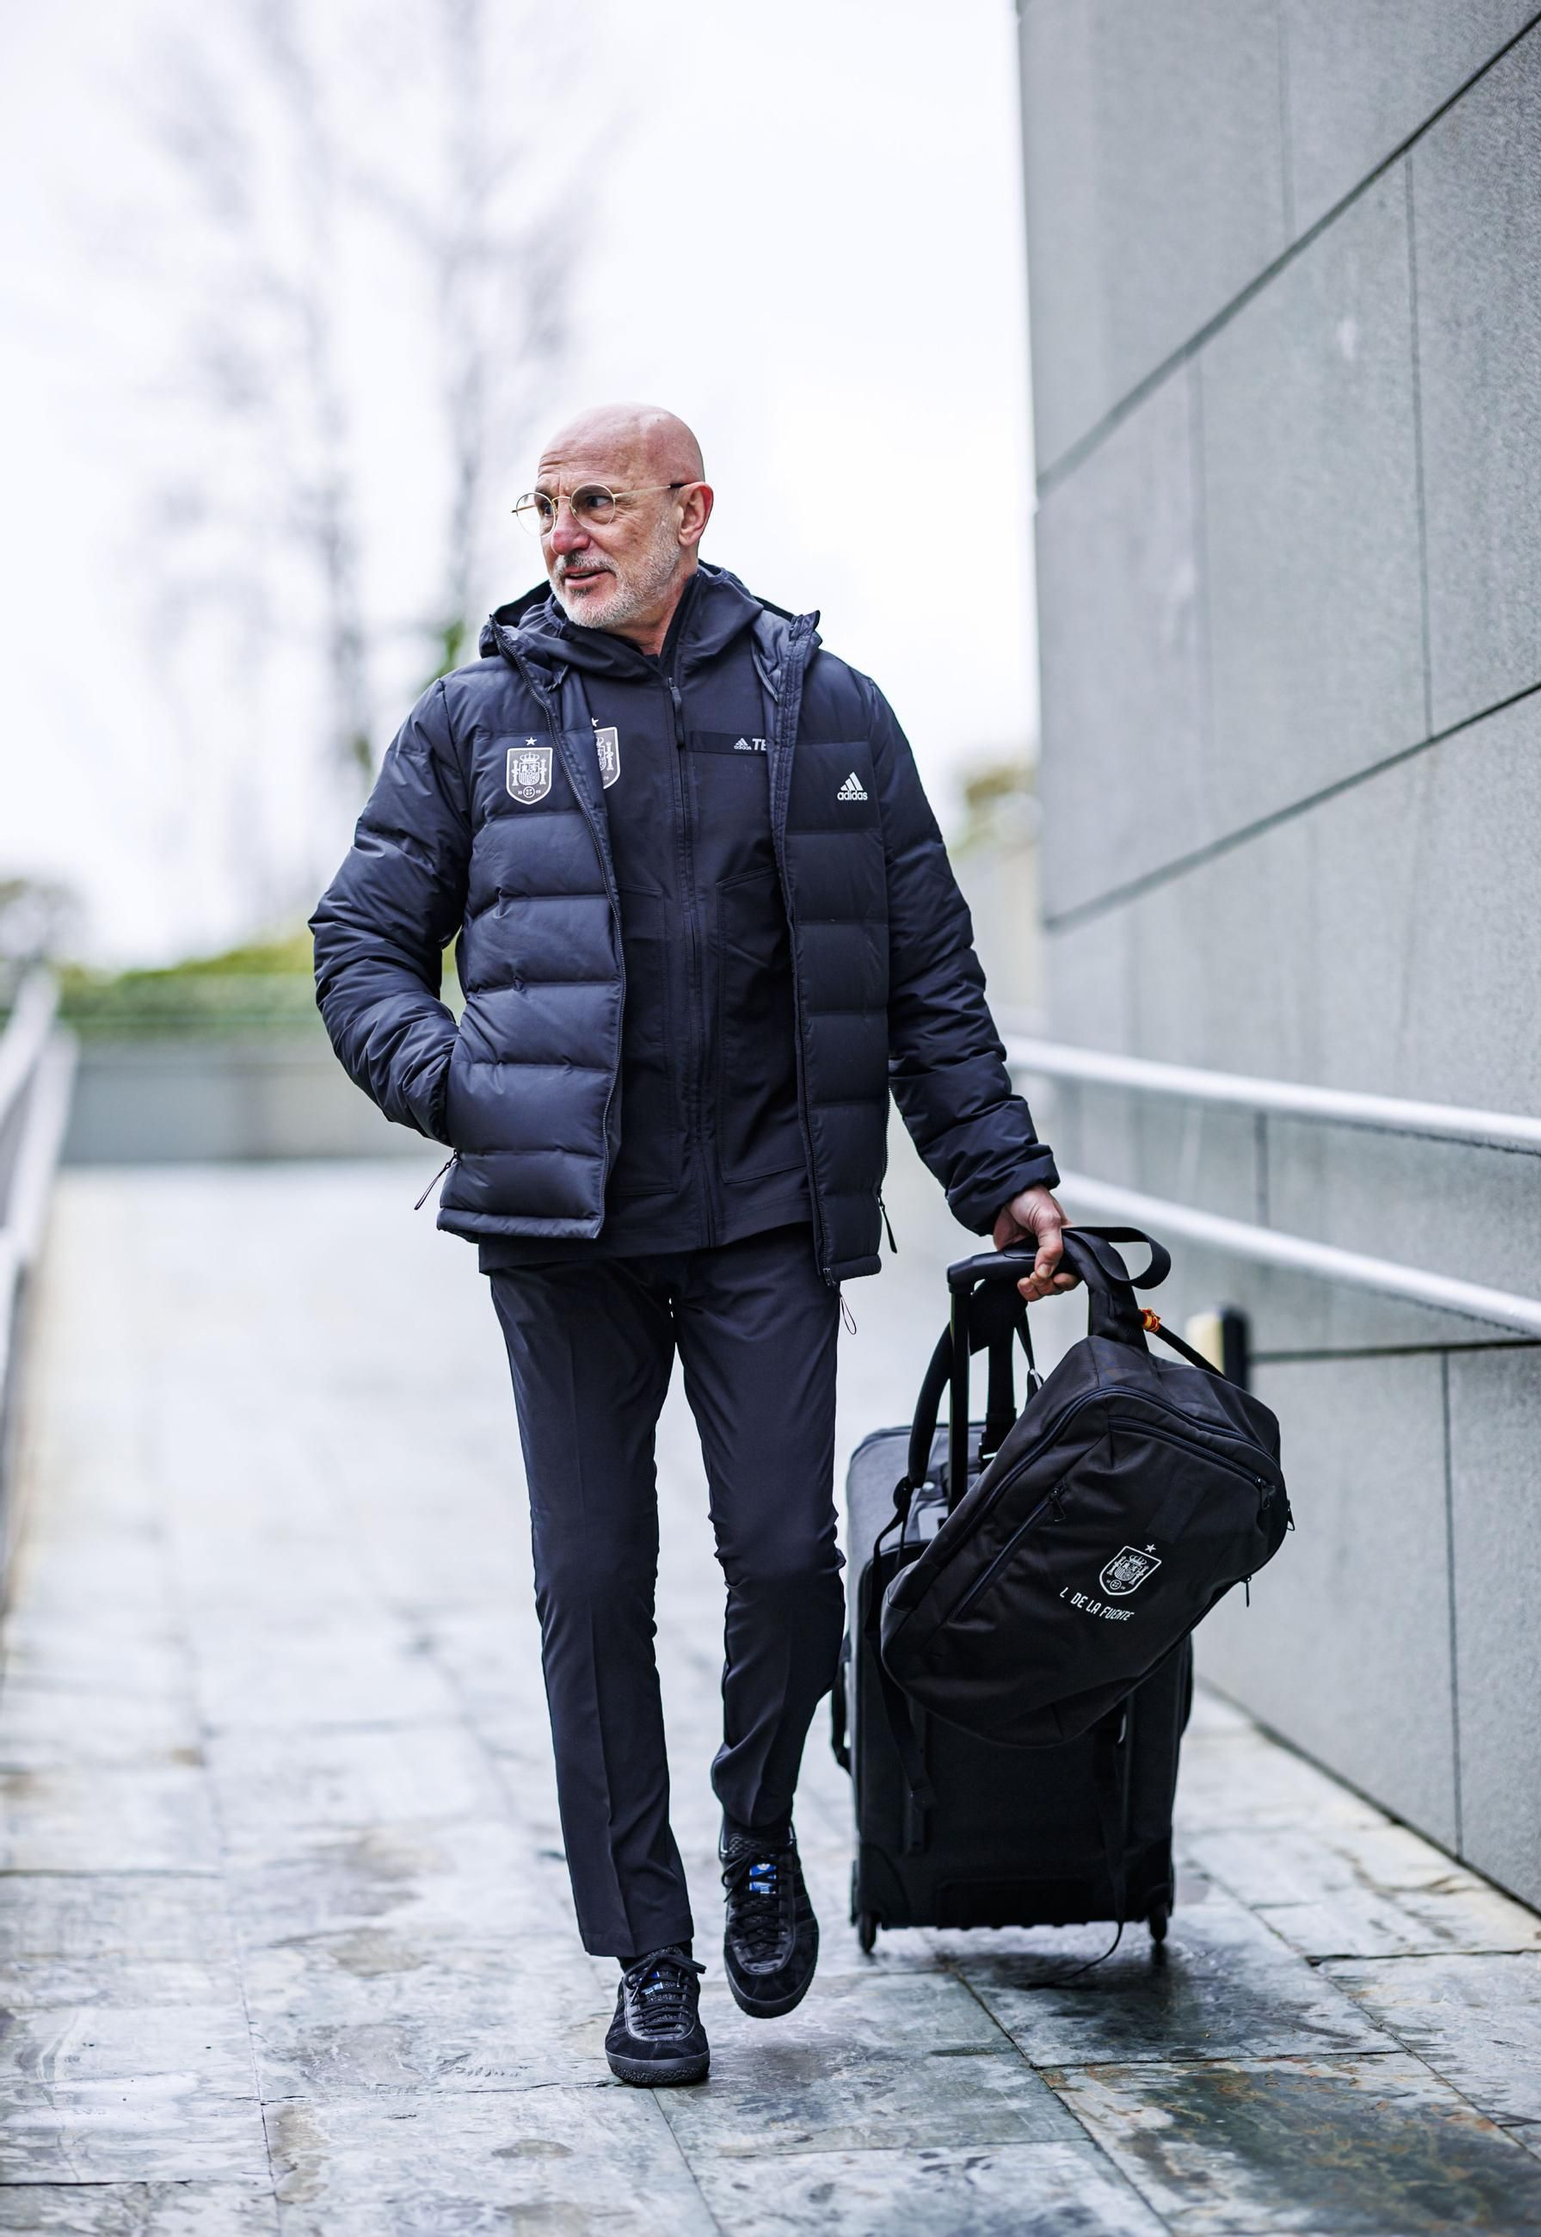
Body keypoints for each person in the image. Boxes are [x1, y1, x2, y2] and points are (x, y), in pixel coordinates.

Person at [311, 403, 1073, 2087]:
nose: (564, 533)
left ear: (690, 509)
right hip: (560, 1233)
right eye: (546, 507)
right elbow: (360, 942)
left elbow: (926, 974)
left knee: (786, 1566)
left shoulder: (826, 713)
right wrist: (462, 1089)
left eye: (598, 502)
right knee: (590, 1587)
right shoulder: (473, 719)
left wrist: (1000, 1172)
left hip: (759, 1218)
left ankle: (755, 1832)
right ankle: (648, 1950)